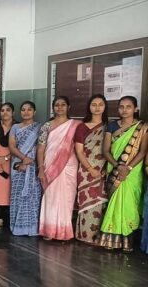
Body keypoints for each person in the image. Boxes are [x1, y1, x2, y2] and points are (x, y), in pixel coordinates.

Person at [99, 96, 147, 252]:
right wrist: (118, 166)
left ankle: (127, 240)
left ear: (135, 109)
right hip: (114, 169)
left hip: (133, 172)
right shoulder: (112, 126)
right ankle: (110, 240)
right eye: (121, 107)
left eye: (128, 107)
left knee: (129, 204)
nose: (124, 110)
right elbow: (105, 151)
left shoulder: (143, 127)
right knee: (113, 203)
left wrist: (128, 168)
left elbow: (142, 152)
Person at [37, 96, 80, 241]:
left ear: (68, 107)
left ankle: (64, 232)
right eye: (57, 105)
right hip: (50, 166)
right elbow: (41, 149)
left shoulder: (76, 125)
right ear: (53, 107)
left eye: (63, 105)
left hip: (69, 166)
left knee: (67, 198)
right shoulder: (47, 126)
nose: (60, 108)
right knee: (50, 197)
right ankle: (49, 230)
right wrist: (41, 168)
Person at [73, 95, 108, 245]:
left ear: (105, 107)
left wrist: (104, 168)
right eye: (94, 104)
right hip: (86, 170)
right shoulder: (82, 126)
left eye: (101, 104)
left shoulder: (109, 127)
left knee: (99, 203)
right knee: (87, 202)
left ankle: (97, 236)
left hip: (103, 170)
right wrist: (90, 169)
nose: (97, 107)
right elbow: (79, 151)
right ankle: (85, 235)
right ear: (89, 107)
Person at [8, 101, 42, 236]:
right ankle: (18, 227)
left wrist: (29, 159)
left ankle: (32, 228)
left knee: (32, 196)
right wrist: (23, 158)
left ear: (34, 112)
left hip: (33, 166)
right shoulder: (15, 127)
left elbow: (41, 147)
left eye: (29, 109)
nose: (26, 112)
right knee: (17, 195)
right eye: (23, 110)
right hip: (18, 165)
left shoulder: (40, 127)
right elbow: (12, 146)